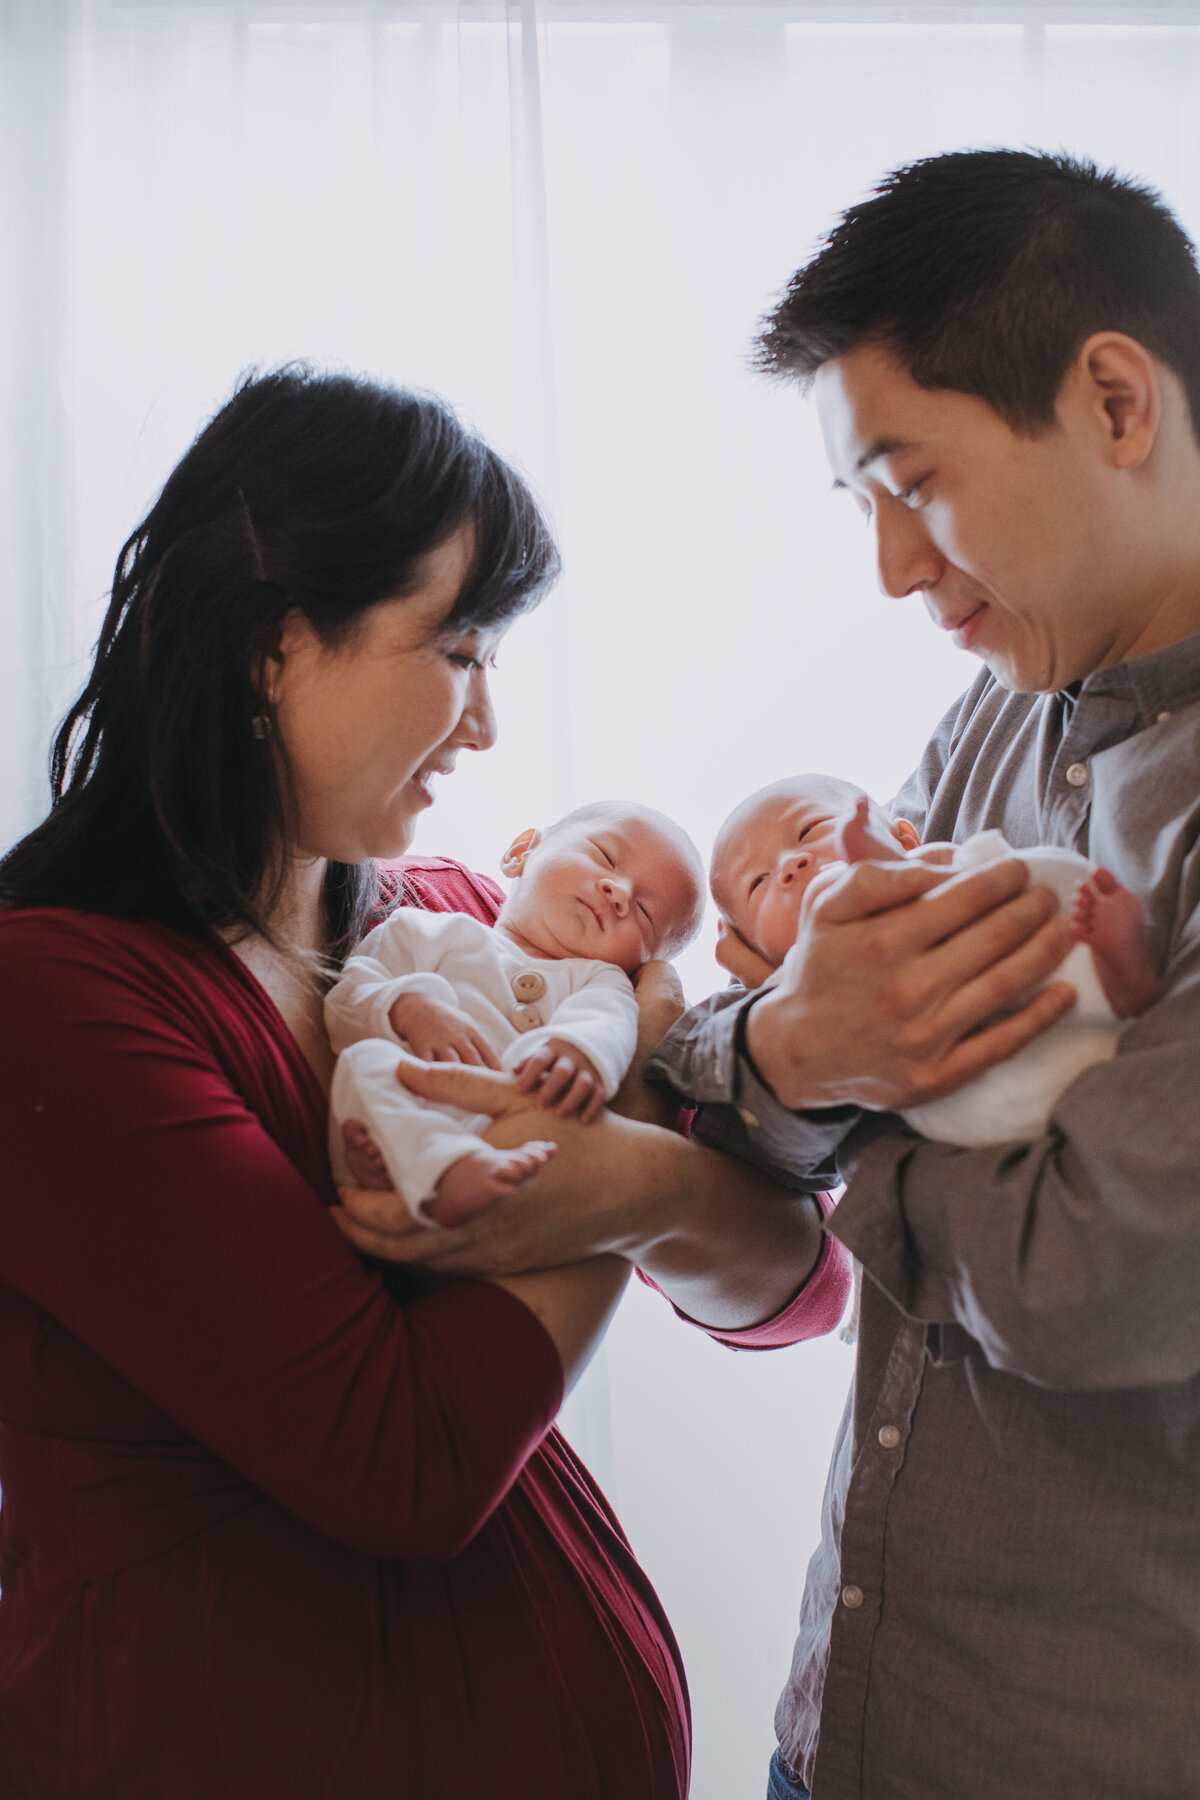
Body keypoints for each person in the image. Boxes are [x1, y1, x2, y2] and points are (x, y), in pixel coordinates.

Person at [0, 367, 849, 1799]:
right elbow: (408, 1462)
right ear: (277, 646)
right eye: (458, 649)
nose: (488, 727)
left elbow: (805, 1289)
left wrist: (632, 1179)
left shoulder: (466, 926)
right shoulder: (55, 1001)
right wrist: (639, 1133)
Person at [642, 149, 1200, 1799]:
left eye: (915, 479)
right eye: (860, 501)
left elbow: (1090, 1281)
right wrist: (800, 1050)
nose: (892, 567)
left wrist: (832, 1096)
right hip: (848, 1714)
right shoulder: (999, 716)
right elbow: (759, 1070)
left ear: (1114, 399)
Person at [702, 772, 1158, 1147]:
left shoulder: (924, 868)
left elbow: (932, 876)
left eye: (810, 831)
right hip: (976, 1105)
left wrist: (879, 864)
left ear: (904, 836)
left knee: (1021, 909)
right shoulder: (793, 987)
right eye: (758, 884)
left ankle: (1117, 970)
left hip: (1050, 1003)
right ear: (754, 953)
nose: (790, 865)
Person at [326, 801, 705, 1223]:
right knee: (368, 1061)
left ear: (642, 964)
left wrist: (578, 1051)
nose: (620, 892)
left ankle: (444, 1175)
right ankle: (428, 1163)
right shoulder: (424, 931)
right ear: (521, 852)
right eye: (604, 856)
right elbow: (347, 1002)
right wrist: (410, 1008)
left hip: (516, 1155)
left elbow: (607, 1026)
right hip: (405, 1118)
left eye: (645, 914)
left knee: (570, 1130)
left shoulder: (601, 983)